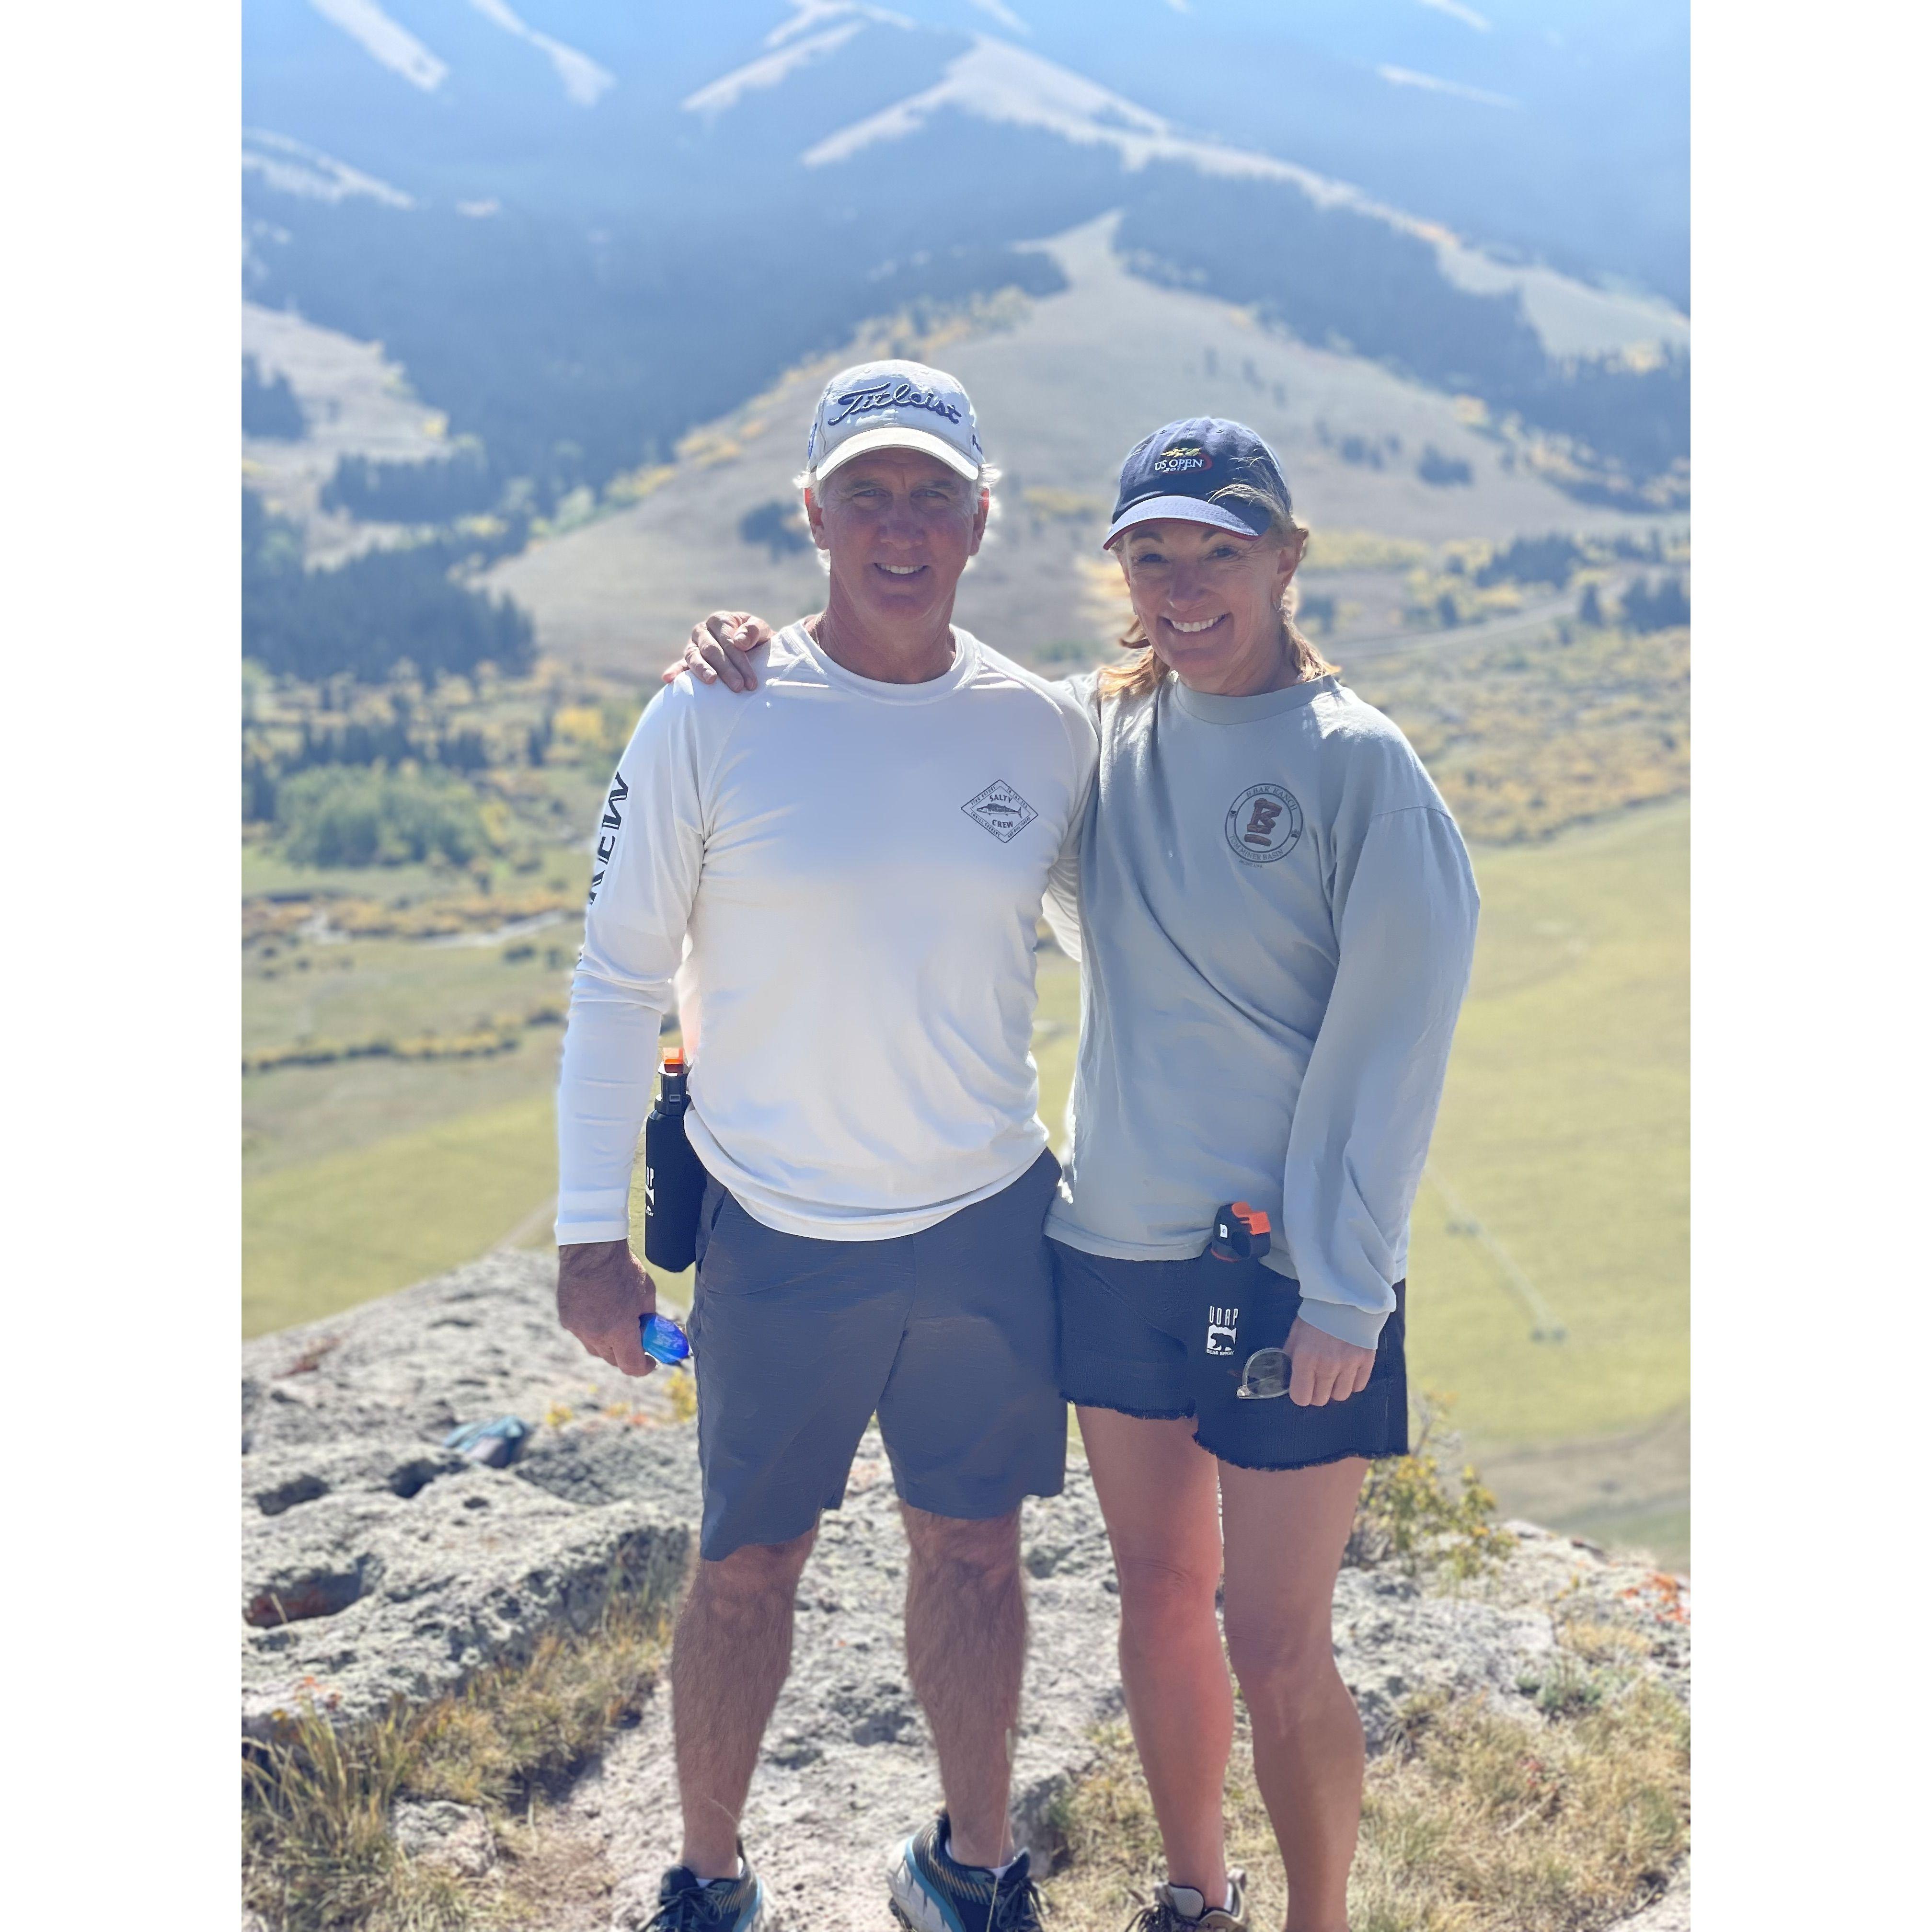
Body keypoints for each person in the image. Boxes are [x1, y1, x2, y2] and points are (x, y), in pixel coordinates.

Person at [672, 416, 1480, 1932]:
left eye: (1219, 552)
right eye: (1151, 554)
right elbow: (927, 736)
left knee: (1277, 1642)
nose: (1184, 585)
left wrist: (1347, 1287)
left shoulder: (1360, 764)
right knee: (1160, 1599)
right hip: (1110, 1249)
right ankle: (1195, 1894)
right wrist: (751, 654)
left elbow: (1399, 1043)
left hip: (1292, 1275)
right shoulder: (1099, 733)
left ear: (1287, 560)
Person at [555, 358, 1096, 1932]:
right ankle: (708, 1878)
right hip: (776, 1228)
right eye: (869, 493)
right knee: (745, 1568)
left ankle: (974, 1871)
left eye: (934, 496)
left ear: (982, 522)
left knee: (978, 1552)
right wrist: (592, 1238)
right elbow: (616, 980)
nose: (901, 528)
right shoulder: (709, 713)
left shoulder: (1044, 729)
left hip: (987, 1221)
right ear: (813, 513)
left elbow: (1128, 944)